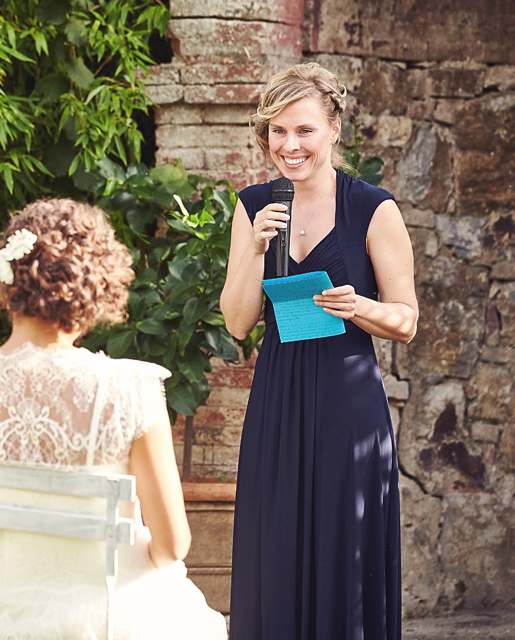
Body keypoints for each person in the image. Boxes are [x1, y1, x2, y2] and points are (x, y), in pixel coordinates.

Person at [0, 198, 229, 640]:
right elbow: (171, 545)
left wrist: (22, 544)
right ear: (98, 289)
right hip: (112, 614)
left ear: (7, 283)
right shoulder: (131, 390)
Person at [220, 63, 418, 640]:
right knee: (275, 545)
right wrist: (255, 248)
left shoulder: (373, 208)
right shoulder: (254, 204)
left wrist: (359, 307)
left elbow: (405, 320)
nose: (289, 145)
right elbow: (237, 322)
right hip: (278, 401)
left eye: (303, 130)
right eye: (277, 132)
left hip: (347, 402)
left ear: (333, 128)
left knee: (344, 550)